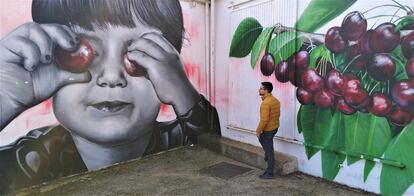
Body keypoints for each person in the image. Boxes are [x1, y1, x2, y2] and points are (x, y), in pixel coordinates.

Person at [0, 0, 220, 193]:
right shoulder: (27, 160)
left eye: (139, 55)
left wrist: (183, 92)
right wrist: (4, 99)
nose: (112, 77)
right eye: (78, 52)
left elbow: (217, 150)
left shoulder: (181, 140)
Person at [256, 82, 280, 179]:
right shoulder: (275, 100)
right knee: (267, 147)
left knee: (269, 151)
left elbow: (264, 120)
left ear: (266, 91)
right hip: (274, 128)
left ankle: (269, 173)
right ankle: (267, 155)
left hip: (268, 130)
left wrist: (258, 130)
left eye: (261, 88)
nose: (259, 90)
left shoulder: (265, 103)